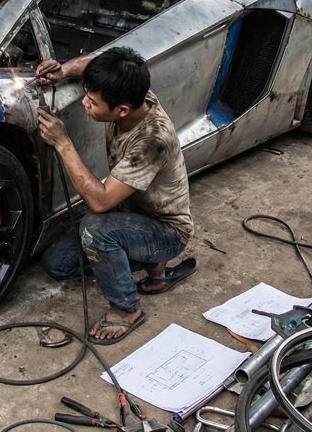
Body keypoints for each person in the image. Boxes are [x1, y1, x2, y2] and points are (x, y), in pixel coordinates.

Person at [36, 47, 196, 345]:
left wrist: (63, 143)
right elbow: (93, 65)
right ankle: (154, 269)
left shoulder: (152, 141)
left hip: (167, 230)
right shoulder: (133, 93)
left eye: (92, 102)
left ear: (122, 109)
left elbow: (100, 202)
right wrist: (65, 70)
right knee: (58, 264)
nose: (84, 103)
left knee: (95, 229)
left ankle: (126, 308)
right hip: (132, 216)